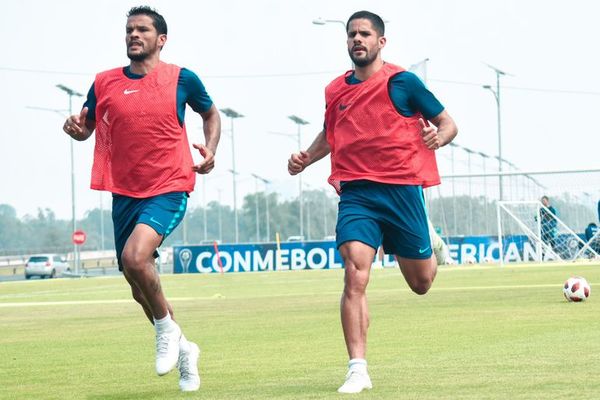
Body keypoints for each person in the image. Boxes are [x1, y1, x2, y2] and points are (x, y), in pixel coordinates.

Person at [288, 10, 458, 394]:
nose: (357, 40)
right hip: (357, 193)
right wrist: (305, 158)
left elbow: (448, 123)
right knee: (354, 271)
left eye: (365, 34)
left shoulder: (404, 82)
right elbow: (331, 134)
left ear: (381, 42)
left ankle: (431, 242)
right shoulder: (336, 90)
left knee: (421, 283)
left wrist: (439, 138)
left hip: (402, 192)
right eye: (352, 34)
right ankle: (357, 368)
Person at [62, 6, 220, 392]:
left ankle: (166, 330)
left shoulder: (183, 78)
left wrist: (211, 151)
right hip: (124, 193)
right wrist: (76, 130)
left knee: (136, 257)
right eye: (129, 29)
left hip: (169, 185)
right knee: (136, 282)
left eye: (143, 29)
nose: (134, 35)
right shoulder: (104, 83)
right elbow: (87, 128)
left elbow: (211, 114)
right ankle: (185, 350)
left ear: (160, 39)